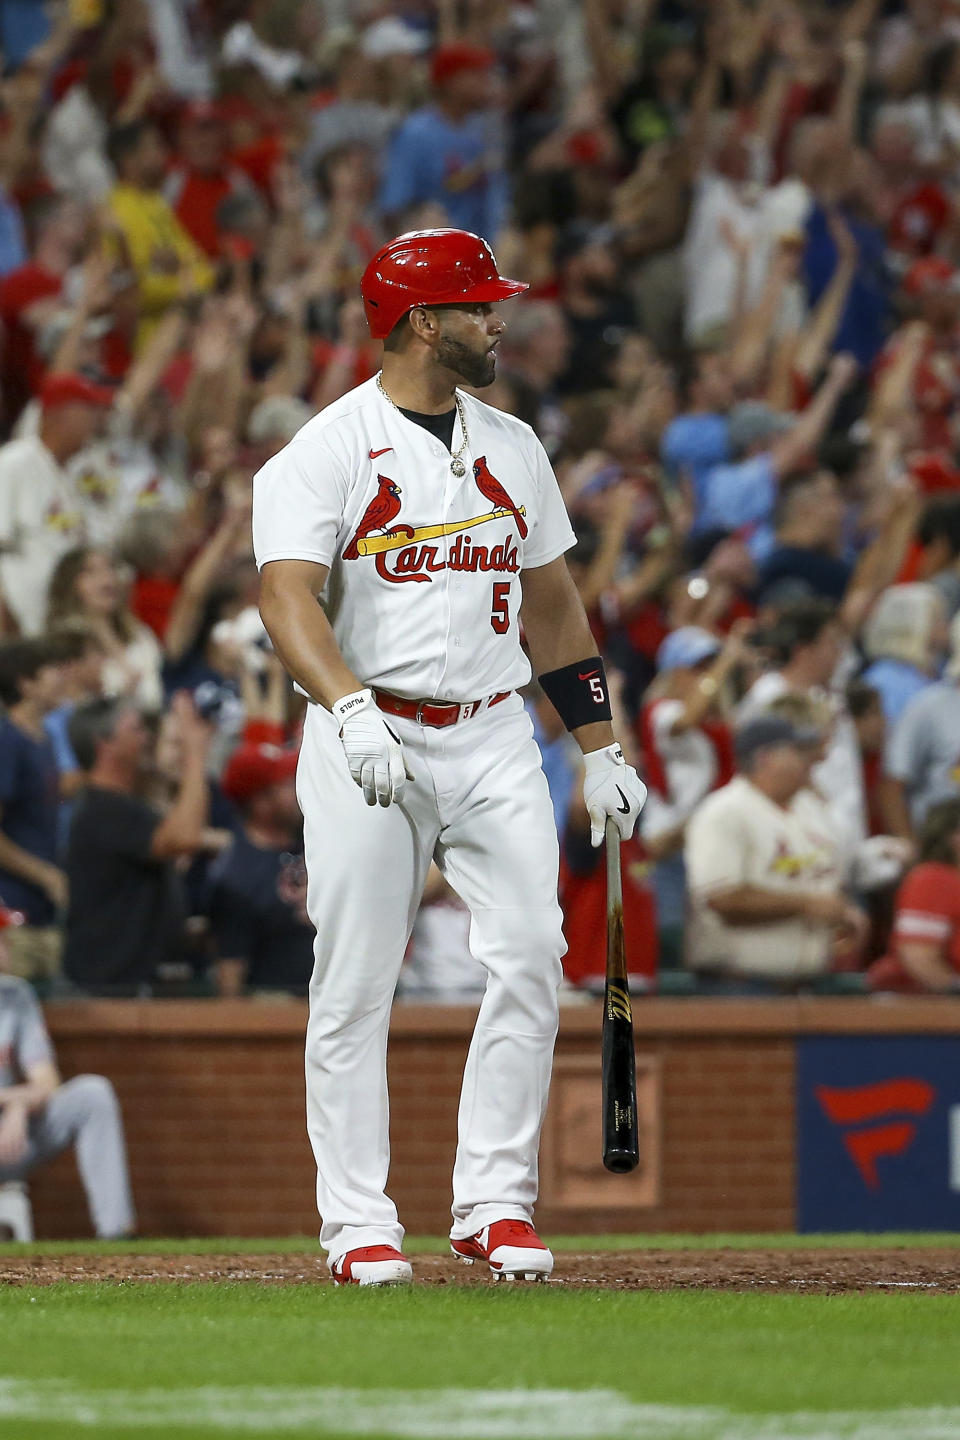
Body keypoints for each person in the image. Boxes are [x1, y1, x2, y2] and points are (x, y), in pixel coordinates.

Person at [253, 228, 646, 1287]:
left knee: (531, 953)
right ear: (422, 321)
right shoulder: (326, 450)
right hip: (367, 733)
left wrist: (601, 747)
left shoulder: (514, 444)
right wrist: (344, 710)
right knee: (356, 979)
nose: (496, 320)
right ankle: (357, 1222)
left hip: (493, 731)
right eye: (476, 306)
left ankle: (492, 1205)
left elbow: (556, 610)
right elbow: (283, 595)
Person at [685, 713, 866, 989]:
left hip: (808, 984)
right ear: (764, 758)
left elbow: (828, 879)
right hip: (739, 987)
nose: (808, 760)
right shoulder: (724, 811)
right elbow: (720, 898)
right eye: (795, 751)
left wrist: (843, 912)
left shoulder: (811, 808)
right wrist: (806, 905)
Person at [0, 908, 135, 1238]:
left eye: (3, 938)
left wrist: (18, 1106)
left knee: (92, 1093)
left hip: (8, 1138)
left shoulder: (16, 994)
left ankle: (116, 1232)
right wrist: (14, 1100)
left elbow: (48, 1082)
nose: (5, 948)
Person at [63, 694, 211, 994]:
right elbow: (185, 838)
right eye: (136, 730)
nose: (147, 739)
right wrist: (194, 754)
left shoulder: (123, 806)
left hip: (132, 985)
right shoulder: (102, 810)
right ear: (104, 744)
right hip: (109, 992)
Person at [0, 372, 113, 636]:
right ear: (61, 414)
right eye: (89, 411)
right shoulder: (14, 463)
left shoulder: (75, 474)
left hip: (58, 627)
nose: (96, 421)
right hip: (21, 629)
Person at [207, 739, 312, 997]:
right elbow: (230, 975)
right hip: (278, 1011)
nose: (298, 789)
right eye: (286, 784)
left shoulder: (315, 840)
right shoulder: (236, 874)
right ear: (259, 801)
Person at [0, 638, 67, 983]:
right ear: (25, 684)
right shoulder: (7, 740)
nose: (62, 678)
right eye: (51, 671)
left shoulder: (46, 739)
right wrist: (45, 874)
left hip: (43, 915)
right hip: (11, 916)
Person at [46, 546, 164, 713]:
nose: (107, 579)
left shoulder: (137, 631)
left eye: (110, 568)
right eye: (91, 572)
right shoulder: (66, 642)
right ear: (69, 583)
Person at [861, 582, 947, 725]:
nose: (945, 626)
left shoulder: (939, 671)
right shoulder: (882, 681)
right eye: (936, 620)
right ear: (911, 625)